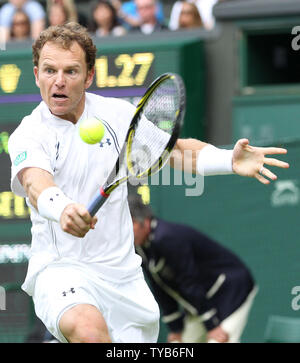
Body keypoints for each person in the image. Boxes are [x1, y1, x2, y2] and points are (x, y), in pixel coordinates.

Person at [8, 22, 289, 343]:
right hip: (62, 270)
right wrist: (62, 210)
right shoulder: (29, 134)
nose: (58, 81)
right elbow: (35, 182)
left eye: (71, 71)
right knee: (89, 333)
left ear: (88, 77)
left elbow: (177, 152)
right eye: (49, 70)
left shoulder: (116, 115)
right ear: (36, 75)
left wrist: (228, 160)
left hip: (124, 278)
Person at [128, 194, 258, 343]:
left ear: (144, 220)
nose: (127, 231)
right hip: (202, 302)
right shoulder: (141, 247)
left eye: (130, 223)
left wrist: (212, 325)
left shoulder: (167, 238)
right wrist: (176, 329)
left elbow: (189, 282)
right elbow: (160, 288)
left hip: (230, 291)